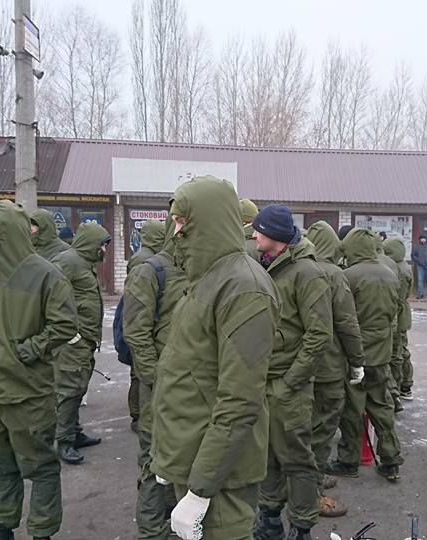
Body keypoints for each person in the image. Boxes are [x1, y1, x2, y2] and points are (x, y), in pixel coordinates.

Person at [150, 176, 280, 540]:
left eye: (182, 221)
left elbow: (239, 400)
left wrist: (200, 489)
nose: (176, 232)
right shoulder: (207, 279)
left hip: (220, 478)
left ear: (206, 219)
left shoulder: (244, 289)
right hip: (192, 457)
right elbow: (189, 368)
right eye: (174, 222)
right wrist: (169, 456)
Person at [0, 200, 78, 540]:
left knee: (39, 465)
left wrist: (26, 351)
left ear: (8, 232)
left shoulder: (46, 274)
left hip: (26, 391)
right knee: (0, 464)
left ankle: (42, 530)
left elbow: (64, 325)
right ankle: (1, 525)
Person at [251, 205, 333, 540]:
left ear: (275, 235)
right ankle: (270, 519)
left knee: (297, 460)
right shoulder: (266, 266)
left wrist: (290, 382)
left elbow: (320, 334)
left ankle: (301, 527)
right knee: (268, 454)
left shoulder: (307, 273)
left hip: (289, 386)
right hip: (264, 382)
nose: (253, 235)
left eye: (258, 230)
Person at [124, 220, 189, 540]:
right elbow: (136, 332)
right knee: (153, 457)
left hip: (188, 386)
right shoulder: (151, 271)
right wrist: (155, 377)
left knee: (180, 456)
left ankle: (171, 517)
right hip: (160, 386)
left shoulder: (198, 268)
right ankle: (151, 530)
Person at [325, 228, 403, 482]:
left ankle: (349, 460)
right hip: (381, 351)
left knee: (352, 408)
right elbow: (395, 313)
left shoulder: (348, 276)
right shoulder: (390, 273)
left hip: (355, 353)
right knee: (382, 405)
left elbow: (343, 317)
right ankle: (390, 458)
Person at [304, 221, 364, 519]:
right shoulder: (333, 274)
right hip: (327, 366)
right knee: (321, 430)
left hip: (297, 366)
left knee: (299, 428)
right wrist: (357, 360)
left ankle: (300, 481)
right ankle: (310, 494)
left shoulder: (292, 269)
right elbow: (347, 323)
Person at [49, 222, 111, 465]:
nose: (104, 250)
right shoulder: (68, 262)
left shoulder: (84, 263)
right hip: (71, 342)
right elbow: (51, 297)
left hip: (84, 340)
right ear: (91, 244)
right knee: (69, 390)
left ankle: (74, 433)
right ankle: (64, 441)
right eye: (102, 245)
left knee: (77, 388)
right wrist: (69, 333)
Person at [123, 218, 166, 433]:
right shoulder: (147, 262)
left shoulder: (142, 256)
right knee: (139, 375)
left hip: (136, 315)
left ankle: (137, 415)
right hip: (142, 320)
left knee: (137, 373)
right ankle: (138, 416)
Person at [383, 238, 414, 401]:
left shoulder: (393, 268)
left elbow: (395, 295)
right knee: (403, 349)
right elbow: (409, 292)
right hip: (404, 313)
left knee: (397, 352)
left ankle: (399, 385)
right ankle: (406, 384)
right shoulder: (405, 266)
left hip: (397, 313)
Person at [410, 234, 427, 299]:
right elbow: (413, 255)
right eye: (421, 238)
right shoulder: (417, 246)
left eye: (424, 238)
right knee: (420, 280)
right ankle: (420, 294)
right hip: (420, 266)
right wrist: (418, 260)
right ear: (420, 239)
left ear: (426, 239)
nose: (422, 239)